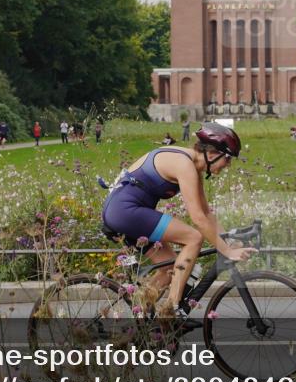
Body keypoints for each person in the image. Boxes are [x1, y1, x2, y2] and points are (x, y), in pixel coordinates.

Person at [100, 122, 256, 322]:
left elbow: (207, 213)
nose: (228, 165)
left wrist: (227, 240)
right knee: (193, 238)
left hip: (126, 211)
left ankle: (140, 322)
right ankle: (171, 309)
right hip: (124, 210)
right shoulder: (184, 165)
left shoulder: (192, 165)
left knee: (169, 270)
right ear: (211, 154)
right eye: (227, 158)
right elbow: (198, 218)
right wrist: (227, 250)